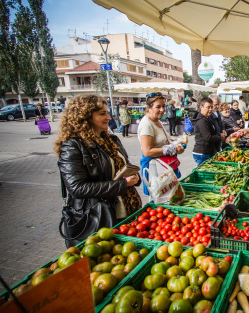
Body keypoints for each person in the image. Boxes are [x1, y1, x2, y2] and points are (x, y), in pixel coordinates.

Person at [55, 95, 142, 244]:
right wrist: (122, 184)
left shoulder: (111, 139)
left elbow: (123, 166)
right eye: (102, 114)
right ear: (85, 117)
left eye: (107, 112)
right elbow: (77, 188)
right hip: (99, 216)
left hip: (125, 208)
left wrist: (134, 177)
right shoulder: (72, 146)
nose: (109, 117)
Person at [138, 92, 185, 195]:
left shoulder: (156, 121)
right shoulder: (147, 124)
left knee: (166, 196)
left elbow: (162, 142)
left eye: (164, 106)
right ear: (148, 107)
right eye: (158, 107)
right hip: (154, 168)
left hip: (162, 167)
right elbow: (147, 151)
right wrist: (173, 149)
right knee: (157, 197)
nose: (162, 110)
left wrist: (176, 142)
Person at [191, 97, 226, 165]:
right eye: (208, 107)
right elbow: (208, 137)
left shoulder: (207, 118)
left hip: (208, 151)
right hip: (202, 153)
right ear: (201, 107)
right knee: (203, 174)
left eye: (211, 107)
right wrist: (220, 137)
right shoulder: (201, 121)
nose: (210, 110)